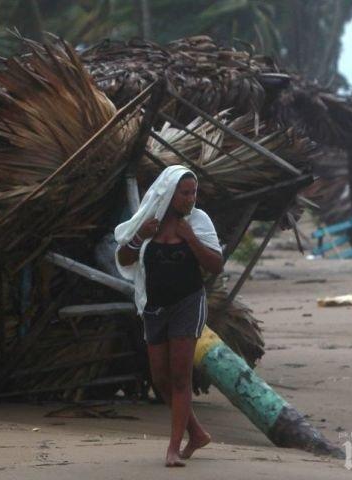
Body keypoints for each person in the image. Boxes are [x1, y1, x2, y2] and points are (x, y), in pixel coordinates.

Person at [114, 165, 223, 467]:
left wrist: (191, 239)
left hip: (187, 303)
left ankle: (173, 448)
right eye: (184, 193)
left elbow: (215, 265)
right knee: (160, 378)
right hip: (154, 306)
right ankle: (197, 433)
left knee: (180, 376)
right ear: (169, 194)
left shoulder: (198, 222)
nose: (190, 198)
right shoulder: (149, 222)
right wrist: (138, 238)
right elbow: (123, 258)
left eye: (193, 192)